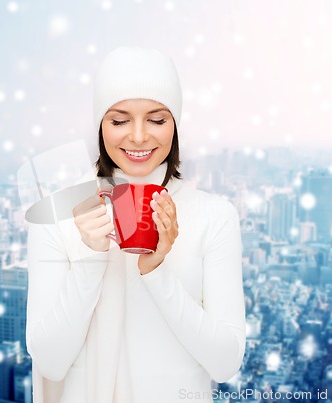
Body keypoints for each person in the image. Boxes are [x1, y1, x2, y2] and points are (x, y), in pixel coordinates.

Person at [26, 46, 246, 403]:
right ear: (99, 125)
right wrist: (91, 258)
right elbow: (50, 363)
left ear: (176, 125)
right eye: (119, 120)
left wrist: (156, 271)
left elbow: (225, 363)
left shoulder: (214, 216)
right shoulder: (60, 215)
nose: (140, 136)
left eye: (157, 120)